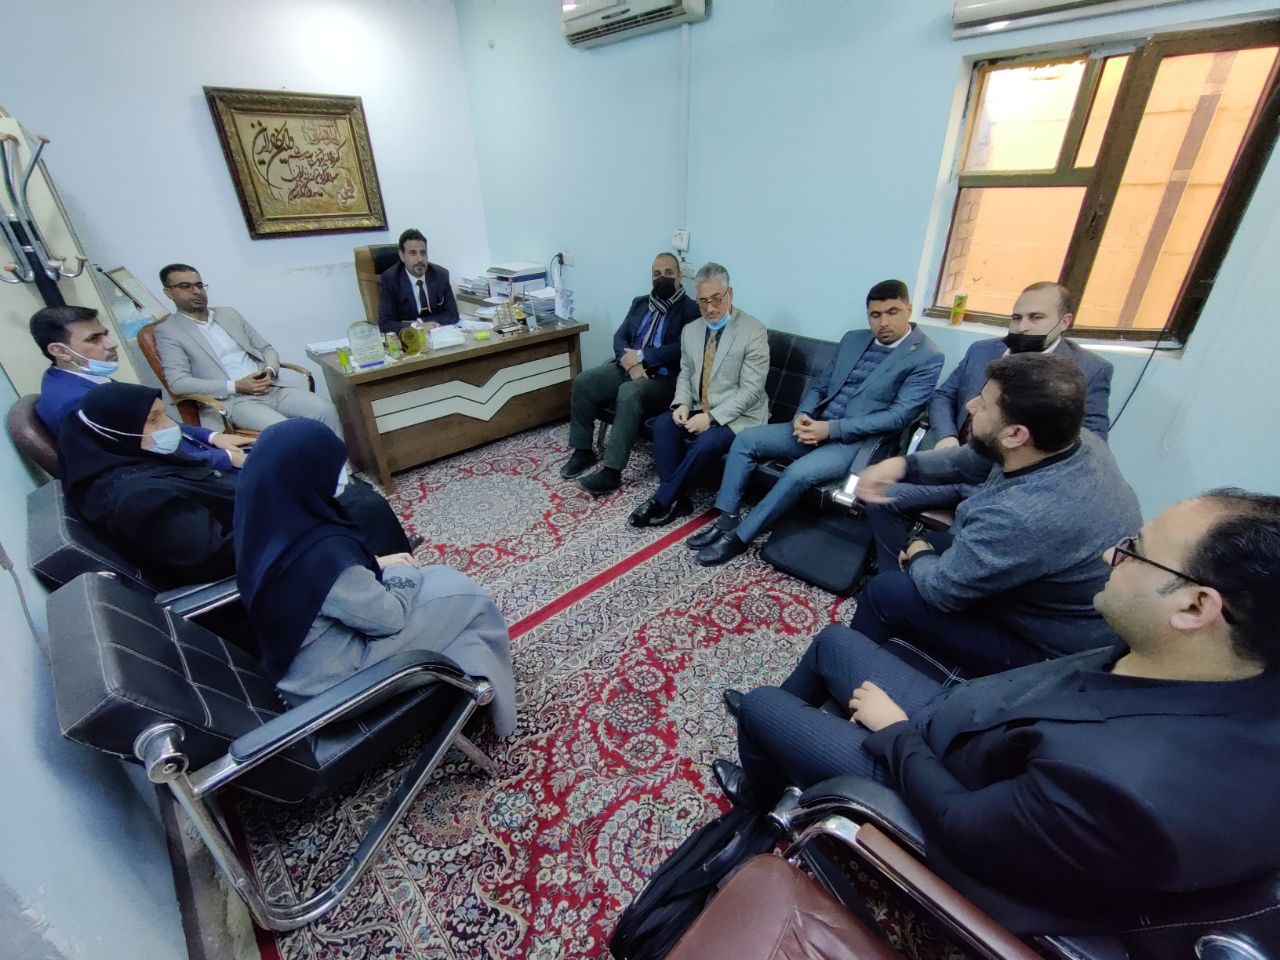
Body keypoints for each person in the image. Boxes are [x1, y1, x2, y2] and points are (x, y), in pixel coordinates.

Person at [716, 489, 1280, 936]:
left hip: (935, 791)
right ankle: (781, 770)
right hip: (968, 734)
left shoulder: (1125, 788)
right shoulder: (1197, 663)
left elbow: (962, 828)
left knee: (763, 706)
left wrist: (896, 733)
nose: (1111, 555)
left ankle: (759, 810)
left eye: (1134, 549)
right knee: (835, 642)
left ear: (1195, 605)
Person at [852, 353, 1140, 676]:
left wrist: (918, 553)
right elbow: (971, 460)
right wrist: (904, 465)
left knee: (885, 591)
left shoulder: (1024, 514)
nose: (970, 405)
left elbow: (941, 590)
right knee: (935, 544)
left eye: (984, 404)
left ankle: (851, 669)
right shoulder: (1075, 440)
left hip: (1047, 650)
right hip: (1041, 592)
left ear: (1015, 434)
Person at [234, 418, 515, 736]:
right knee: (466, 595)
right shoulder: (321, 553)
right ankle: (499, 712)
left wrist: (378, 564)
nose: (343, 475)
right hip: (337, 689)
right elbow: (389, 618)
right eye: (335, 467)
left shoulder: (267, 523)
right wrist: (400, 569)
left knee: (438, 584)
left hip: (304, 671)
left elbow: (332, 590)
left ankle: (464, 684)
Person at [687, 280, 944, 566]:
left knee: (797, 474)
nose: (883, 322)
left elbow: (898, 416)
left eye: (892, 312)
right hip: (813, 426)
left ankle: (739, 538)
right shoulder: (853, 340)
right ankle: (726, 521)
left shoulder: (926, 356)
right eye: (875, 315)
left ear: (908, 308)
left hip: (852, 442)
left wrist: (830, 429)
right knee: (745, 440)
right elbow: (821, 385)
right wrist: (803, 415)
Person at [57, 382, 409, 588]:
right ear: (115, 432)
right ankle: (388, 578)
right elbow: (227, 558)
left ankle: (395, 566)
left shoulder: (134, 458)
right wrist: (300, 516)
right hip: (273, 573)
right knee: (360, 505)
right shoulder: (139, 500)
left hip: (252, 522)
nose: (170, 426)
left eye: (163, 414)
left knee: (352, 496)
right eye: (154, 419)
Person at [628, 262, 769, 524]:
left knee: (706, 443)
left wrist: (711, 417)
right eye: (703, 301)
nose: (710, 308)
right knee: (664, 425)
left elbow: (751, 391)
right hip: (698, 406)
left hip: (740, 416)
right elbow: (685, 374)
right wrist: (681, 403)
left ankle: (662, 499)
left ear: (730, 294)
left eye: (716, 299)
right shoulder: (691, 330)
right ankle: (680, 500)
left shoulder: (753, 331)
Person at [563, 253, 701, 494]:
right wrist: (631, 364)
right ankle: (583, 450)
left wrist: (642, 357)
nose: (663, 278)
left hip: (663, 379)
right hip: (628, 368)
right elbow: (620, 337)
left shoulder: (690, 310)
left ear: (680, 276)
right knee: (585, 381)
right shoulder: (640, 303)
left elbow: (682, 348)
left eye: (669, 273)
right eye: (657, 274)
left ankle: (611, 472)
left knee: (629, 391)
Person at [154, 263, 342, 436]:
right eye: (186, 286)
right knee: (288, 432)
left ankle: (341, 464)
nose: (197, 291)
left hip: (271, 387)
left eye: (199, 285)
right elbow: (179, 383)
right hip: (235, 400)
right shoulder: (169, 331)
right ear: (169, 292)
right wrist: (236, 385)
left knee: (325, 410)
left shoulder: (228, 314)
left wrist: (269, 371)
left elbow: (266, 349)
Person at [929, 281, 1113, 447]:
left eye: (1036, 317)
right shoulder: (982, 351)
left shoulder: (1090, 370)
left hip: (1012, 467)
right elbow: (944, 396)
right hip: (955, 450)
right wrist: (946, 436)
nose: (1022, 327)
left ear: (1064, 322)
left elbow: (1093, 440)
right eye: (1016, 318)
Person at [30, 305, 122, 437]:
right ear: (61, 351)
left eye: (106, 334)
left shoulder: (58, 377)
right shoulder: (78, 403)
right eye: (94, 339)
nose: (112, 344)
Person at [377, 228, 460, 333]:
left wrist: (422, 322)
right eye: (413, 253)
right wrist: (417, 326)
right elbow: (385, 324)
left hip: (437, 335)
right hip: (408, 338)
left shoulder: (440, 275)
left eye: (423, 253)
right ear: (402, 256)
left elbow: (453, 314)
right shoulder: (390, 279)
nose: (420, 259)